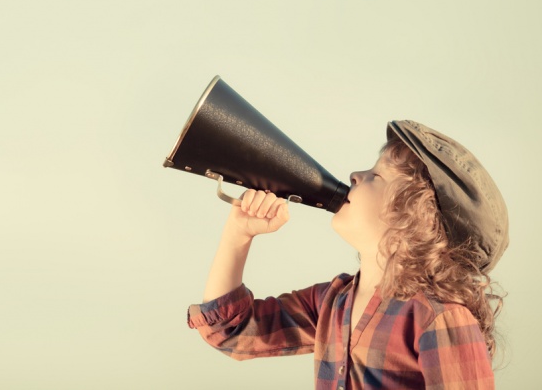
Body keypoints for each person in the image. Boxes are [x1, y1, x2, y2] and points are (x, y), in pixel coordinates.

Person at [186, 120, 508, 390]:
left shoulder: (439, 317)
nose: (355, 174)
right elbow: (231, 332)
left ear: (413, 217)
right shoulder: (334, 303)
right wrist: (238, 234)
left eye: (376, 176)